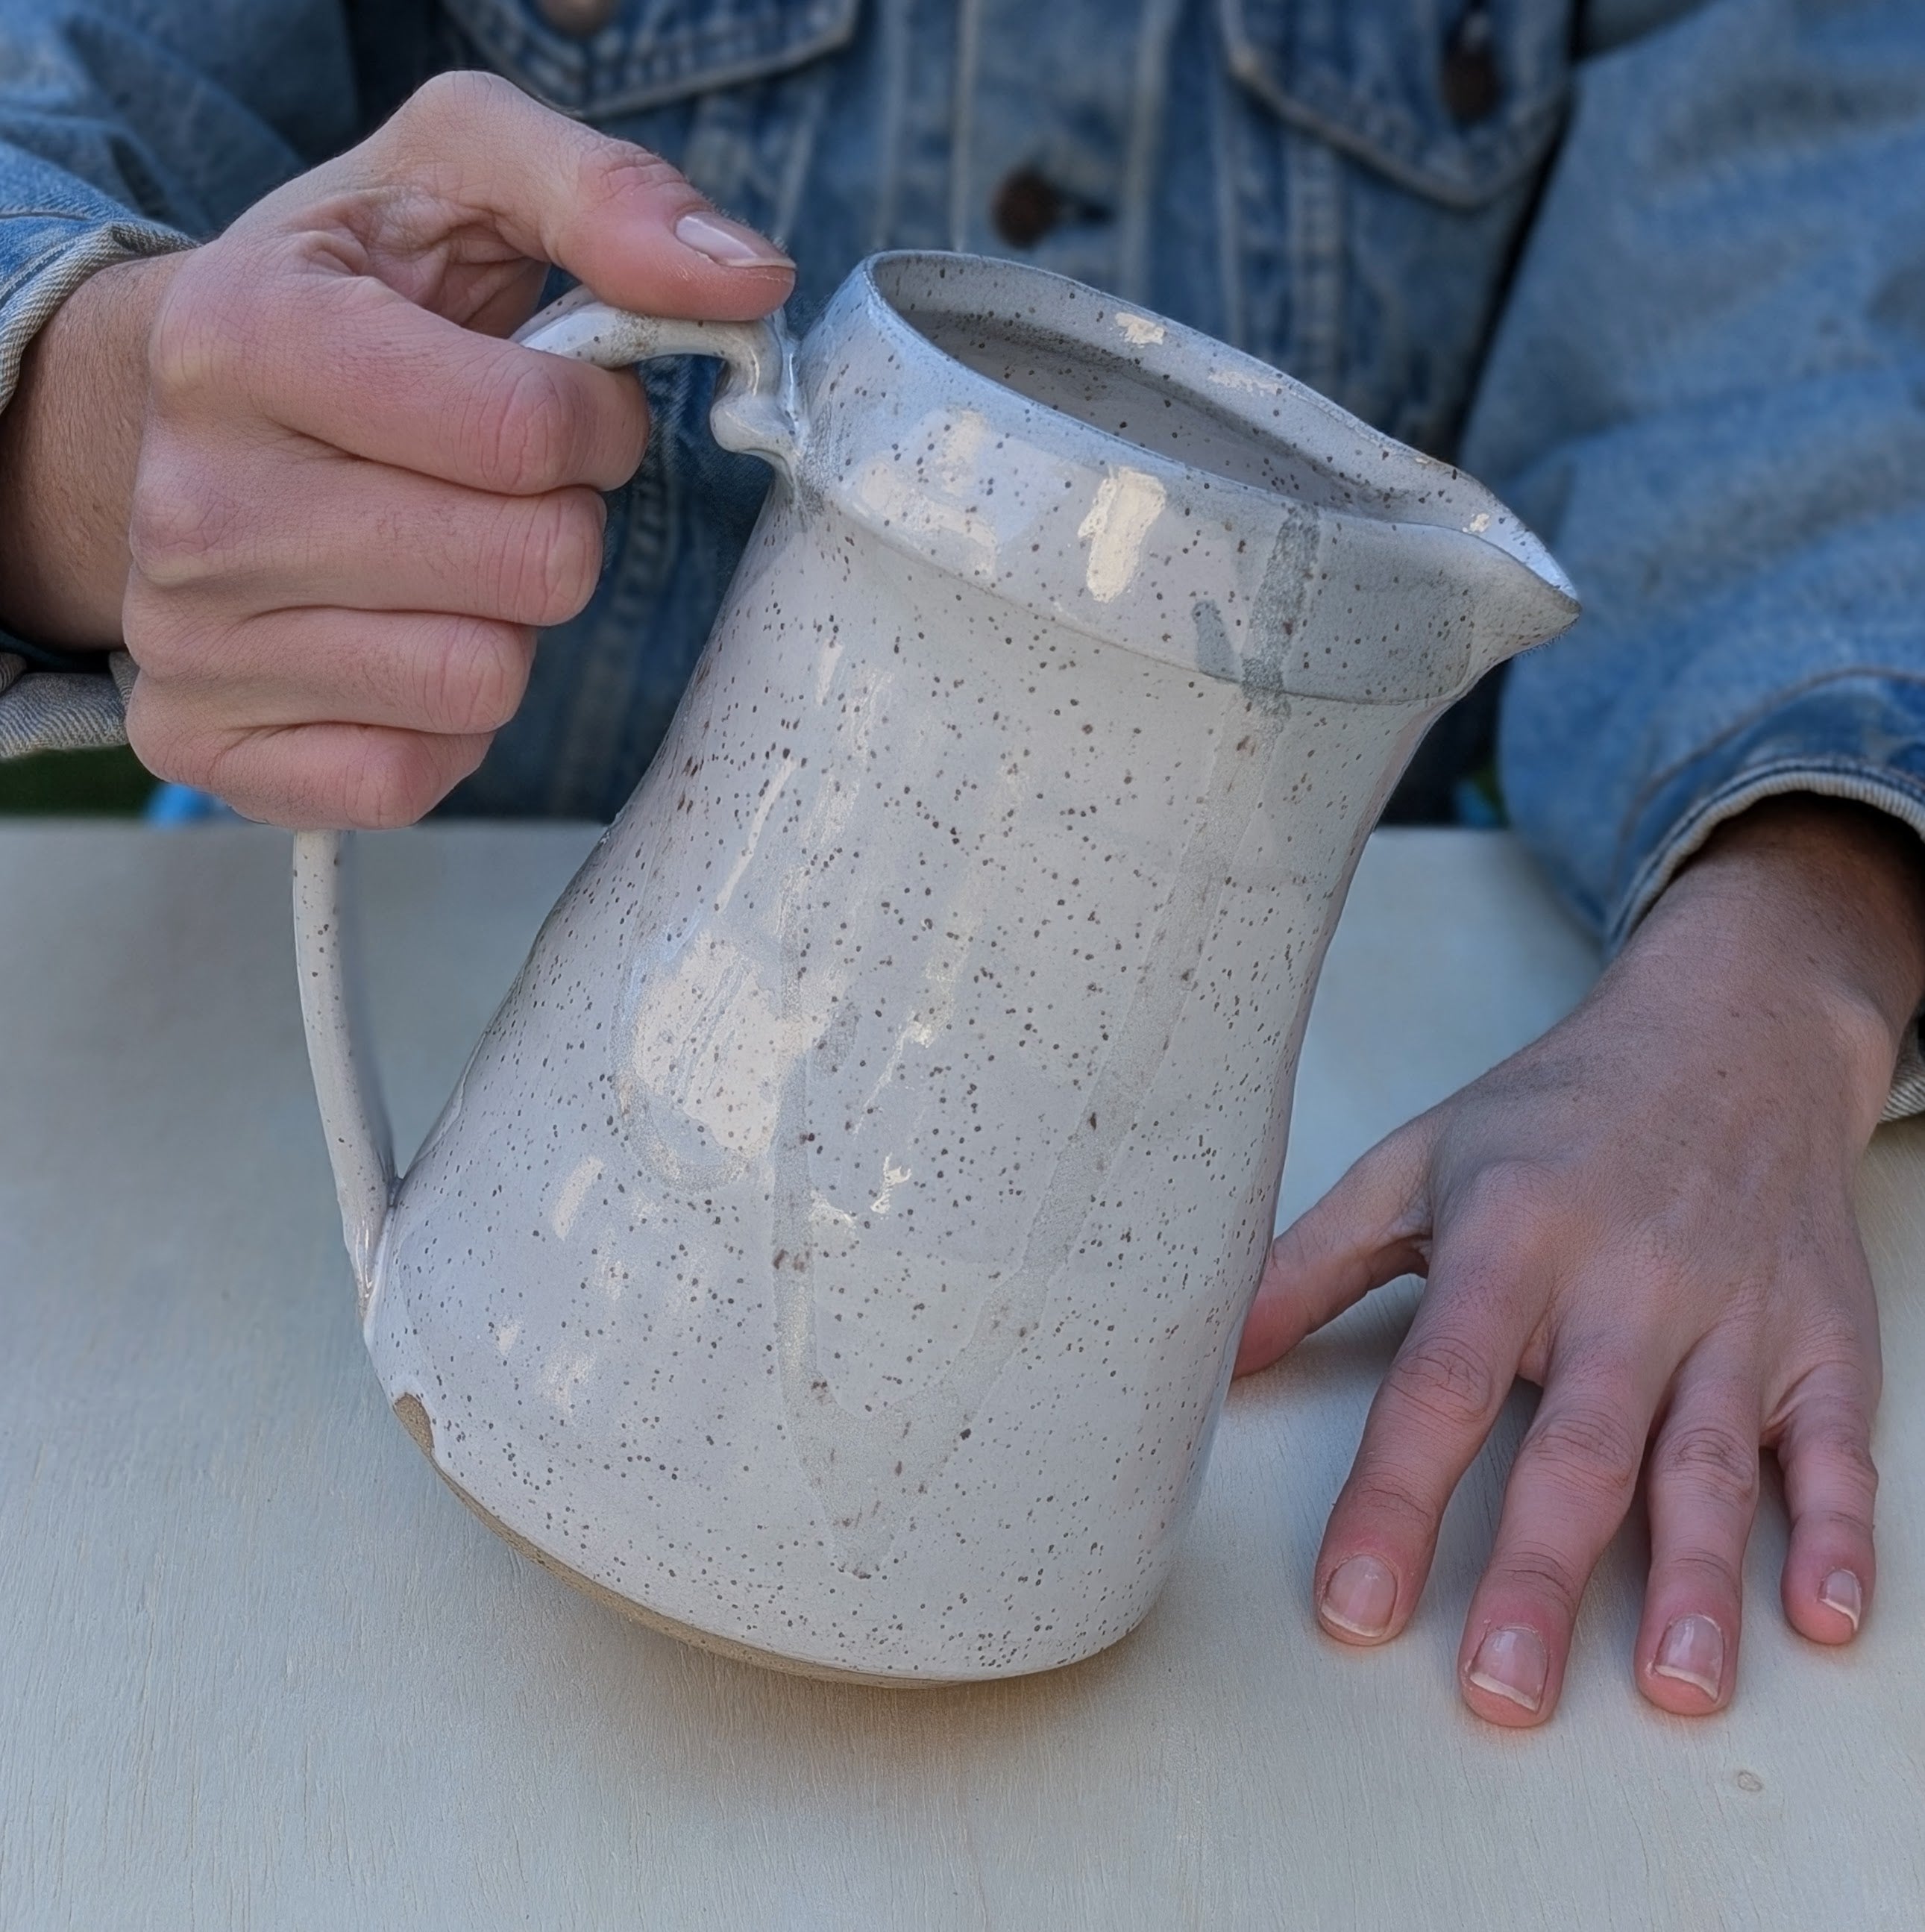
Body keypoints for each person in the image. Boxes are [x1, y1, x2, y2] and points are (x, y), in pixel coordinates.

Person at [0, 0, 1920, 1728]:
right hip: (186, 1334)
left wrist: (1784, 960)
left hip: (1308, 1239)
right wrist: (94, 421)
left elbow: (1790, 340)